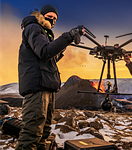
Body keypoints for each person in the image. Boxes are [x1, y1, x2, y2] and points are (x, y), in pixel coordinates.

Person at [16, 4, 85, 150]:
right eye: (49, 16)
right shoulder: (34, 28)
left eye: (55, 18)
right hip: (37, 88)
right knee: (32, 133)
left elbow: (49, 58)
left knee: (44, 132)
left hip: (46, 87)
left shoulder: (45, 33)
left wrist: (66, 43)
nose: (52, 20)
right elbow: (45, 52)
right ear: (41, 16)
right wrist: (68, 36)